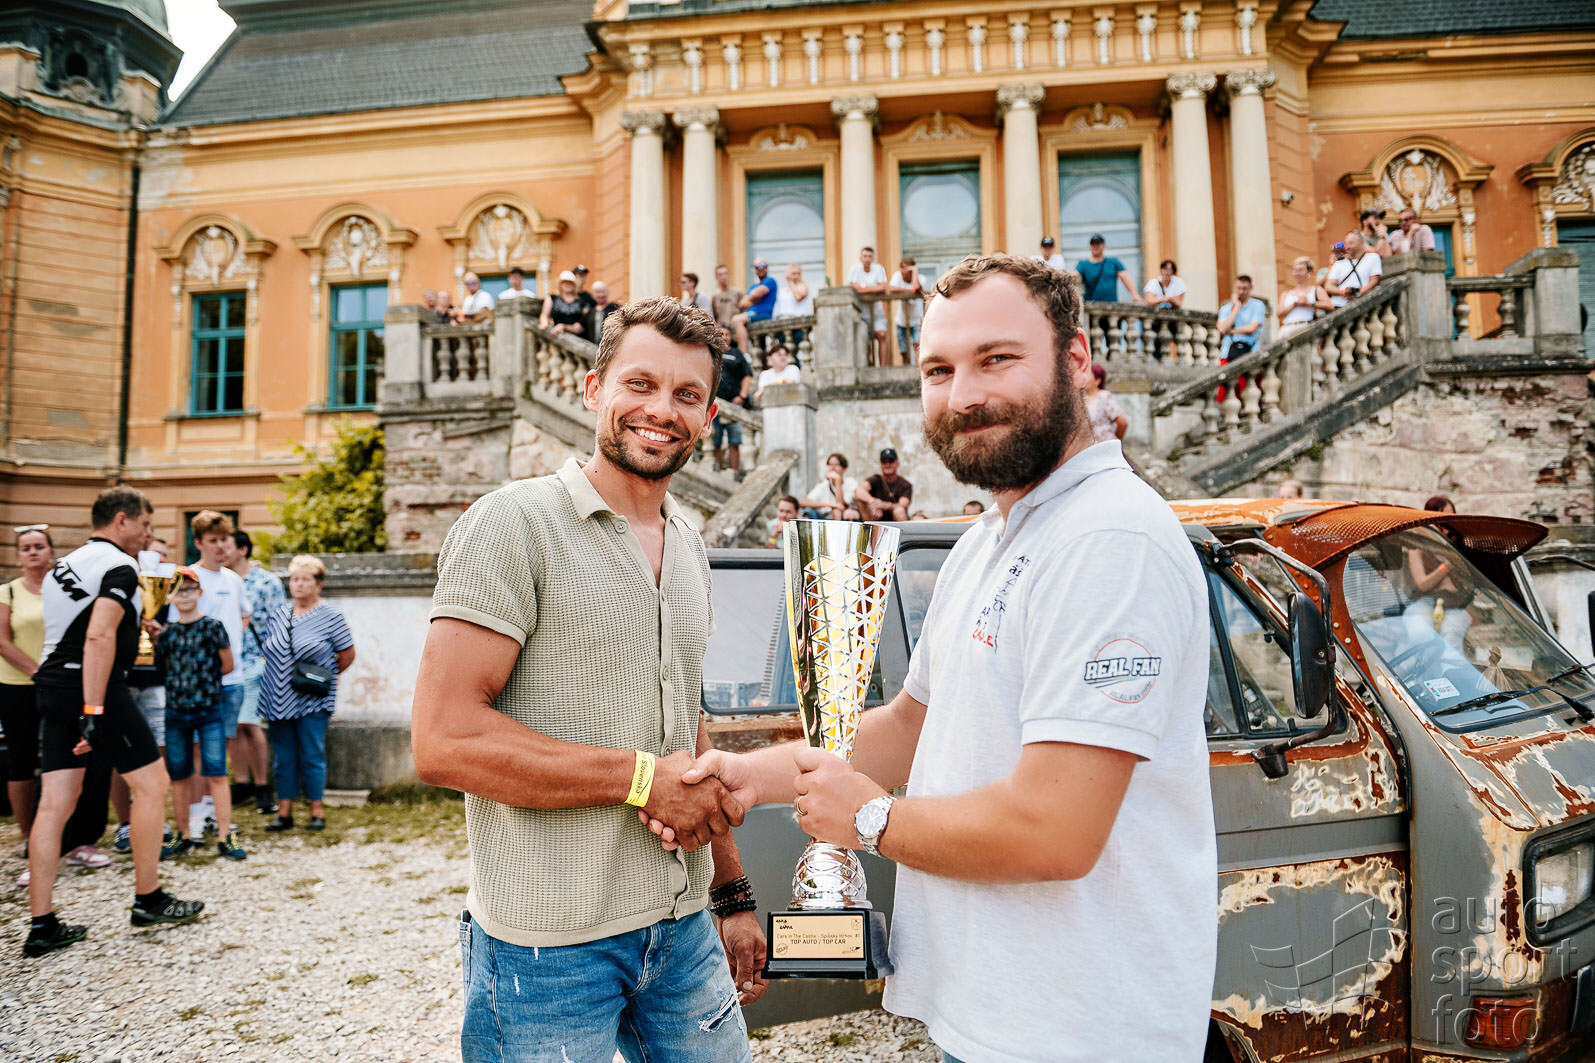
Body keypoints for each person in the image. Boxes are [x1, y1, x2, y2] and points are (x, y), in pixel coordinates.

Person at [654, 253, 1216, 1062]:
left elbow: (1055, 831)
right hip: (991, 1015)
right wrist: (748, 777)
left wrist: (869, 818)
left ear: (1076, 359)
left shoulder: (1110, 540)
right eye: (938, 370)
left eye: (996, 358)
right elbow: (909, 726)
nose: (963, 395)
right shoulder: (989, 538)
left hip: (1081, 1028)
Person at [409, 295, 767, 1062]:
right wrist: (640, 779)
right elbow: (443, 740)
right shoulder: (513, 523)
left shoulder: (690, 543)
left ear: (709, 416)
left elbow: (686, 726)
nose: (661, 410)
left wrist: (730, 892)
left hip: (682, 930)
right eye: (639, 383)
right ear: (593, 387)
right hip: (546, 946)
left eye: (686, 394)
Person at [25, 486, 204, 957]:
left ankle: (42, 924)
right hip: (96, 689)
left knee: (54, 802)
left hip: (51, 685)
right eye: (144, 525)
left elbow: (72, 628)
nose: (148, 534)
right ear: (121, 520)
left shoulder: (63, 565)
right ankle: (149, 899)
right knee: (152, 785)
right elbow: (98, 636)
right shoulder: (120, 567)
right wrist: (93, 710)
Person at [258, 555, 354, 834]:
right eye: (294, 579)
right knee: (283, 757)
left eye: (304, 579)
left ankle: (316, 810)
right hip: (277, 697)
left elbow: (346, 655)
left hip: (312, 698)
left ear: (318, 584)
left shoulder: (331, 616)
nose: (298, 584)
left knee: (311, 754)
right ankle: (284, 811)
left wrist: (319, 678)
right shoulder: (279, 615)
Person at [156, 567, 246, 860]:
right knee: (179, 774)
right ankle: (183, 834)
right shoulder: (168, 634)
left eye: (189, 589)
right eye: (178, 591)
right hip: (176, 712)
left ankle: (225, 834)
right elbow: (166, 667)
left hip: (209, 710)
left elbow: (227, 664)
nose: (184, 596)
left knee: (216, 771)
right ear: (170, 597)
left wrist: (203, 684)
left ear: (200, 593)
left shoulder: (213, 627)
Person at [185, 510, 251, 840]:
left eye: (225, 539)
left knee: (221, 747)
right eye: (213, 541)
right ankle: (195, 815)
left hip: (232, 679)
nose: (221, 546)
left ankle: (214, 810)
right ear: (198, 543)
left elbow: (244, 616)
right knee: (198, 748)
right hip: (199, 682)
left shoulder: (234, 580)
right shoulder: (189, 578)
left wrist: (230, 644)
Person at [1, 524, 51, 882]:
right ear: (18, 555)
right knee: (21, 761)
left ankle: (60, 834)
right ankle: (26, 834)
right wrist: (37, 672)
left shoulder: (62, 589)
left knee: (58, 760)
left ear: (50, 551)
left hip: (57, 687)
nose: (33, 552)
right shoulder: (8, 592)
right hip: (17, 685)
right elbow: (2, 642)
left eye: (39, 546)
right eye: (26, 548)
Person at [229, 528, 286, 814]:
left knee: (250, 723)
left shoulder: (267, 582)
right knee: (233, 726)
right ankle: (242, 784)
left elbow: (279, 623)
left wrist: (276, 663)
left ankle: (262, 785)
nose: (221, 550)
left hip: (255, 661)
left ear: (242, 549)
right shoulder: (221, 580)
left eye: (227, 544)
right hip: (227, 662)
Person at [712, 325, 753, 479]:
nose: (724, 337)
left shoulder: (737, 354)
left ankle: (734, 472)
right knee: (715, 439)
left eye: (727, 334)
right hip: (714, 405)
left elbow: (747, 375)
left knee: (734, 441)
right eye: (721, 334)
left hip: (733, 404)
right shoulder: (711, 353)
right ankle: (717, 472)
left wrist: (742, 396)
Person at [846, 246, 890, 364]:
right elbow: (853, 287)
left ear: (873, 258)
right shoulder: (855, 269)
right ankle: (868, 365)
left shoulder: (879, 269)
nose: (867, 259)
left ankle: (883, 367)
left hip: (877, 313)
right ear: (860, 257)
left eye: (870, 256)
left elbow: (883, 287)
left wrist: (863, 288)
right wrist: (873, 288)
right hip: (861, 314)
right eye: (865, 256)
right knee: (864, 341)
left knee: (882, 335)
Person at [1277, 256, 1334, 341]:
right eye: (1295, 270)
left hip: (1306, 326)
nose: (1297, 273)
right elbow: (1279, 314)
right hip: (1287, 328)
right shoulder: (1286, 294)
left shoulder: (1316, 290)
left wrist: (1308, 304)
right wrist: (1295, 304)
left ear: (1309, 272)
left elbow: (1329, 305)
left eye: (1300, 270)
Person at [731, 259, 777, 354]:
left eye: (763, 266)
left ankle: (744, 355)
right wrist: (754, 298)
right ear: (755, 270)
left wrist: (752, 298)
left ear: (767, 268)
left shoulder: (770, 281)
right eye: (757, 267)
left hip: (762, 315)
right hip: (751, 315)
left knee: (737, 320)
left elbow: (755, 294)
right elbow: (742, 304)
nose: (760, 269)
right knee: (761, 350)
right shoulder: (753, 286)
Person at [1074, 233, 1136, 303]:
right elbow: (1074, 274)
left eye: (1098, 244)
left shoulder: (1113, 262)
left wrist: (1134, 295)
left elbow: (1125, 277)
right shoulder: (1083, 264)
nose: (1095, 246)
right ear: (1090, 246)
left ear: (1104, 245)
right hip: (1090, 305)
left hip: (1111, 305)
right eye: (1093, 244)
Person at [855, 447, 913, 522]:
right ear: (881, 464)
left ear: (897, 463)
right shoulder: (875, 479)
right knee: (860, 500)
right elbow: (858, 490)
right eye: (884, 462)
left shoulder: (905, 484)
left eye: (891, 461)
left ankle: (903, 530)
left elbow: (903, 505)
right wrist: (872, 501)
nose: (887, 465)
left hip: (896, 522)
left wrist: (883, 505)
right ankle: (868, 527)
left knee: (899, 510)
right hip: (875, 518)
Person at [1325, 230, 1381, 307]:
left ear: (1361, 242)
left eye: (1351, 243)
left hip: (1361, 304)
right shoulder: (1339, 263)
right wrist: (1344, 292)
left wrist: (1357, 294)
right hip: (1338, 305)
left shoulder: (1373, 257)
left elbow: (1374, 281)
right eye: (1346, 244)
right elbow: (1328, 286)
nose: (1347, 247)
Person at [1217, 274, 1267, 360]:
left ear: (1251, 288)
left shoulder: (1258, 305)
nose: (1241, 292)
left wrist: (1231, 331)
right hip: (1227, 353)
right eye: (1238, 288)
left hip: (1251, 352)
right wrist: (1236, 307)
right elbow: (1223, 329)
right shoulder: (1226, 308)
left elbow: (1252, 328)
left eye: (1244, 288)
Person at [803, 452, 861, 520]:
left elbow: (840, 505)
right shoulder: (824, 484)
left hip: (843, 517)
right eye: (830, 464)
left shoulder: (851, 482)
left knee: (837, 510)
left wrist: (838, 481)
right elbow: (804, 502)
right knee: (808, 511)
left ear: (844, 469)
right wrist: (828, 504)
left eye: (836, 465)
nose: (832, 468)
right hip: (824, 517)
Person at [889, 256, 925, 362]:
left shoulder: (920, 278)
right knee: (903, 350)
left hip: (916, 320)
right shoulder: (897, 276)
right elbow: (891, 288)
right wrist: (909, 291)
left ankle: (918, 369)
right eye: (902, 268)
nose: (903, 271)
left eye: (906, 268)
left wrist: (914, 271)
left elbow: (916, 287)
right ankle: (906, 366)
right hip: (901, 320)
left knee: (917, 346)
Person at [1084, 363, 1128, 443]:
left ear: (1097, 380)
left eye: (1088, 375)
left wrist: (1115, 441)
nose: (1085, 379)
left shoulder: (1103, 396)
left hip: (1106, 445)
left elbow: (1122, 422)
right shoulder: (1083, 400)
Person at [540, 270, 588, 337]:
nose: (567, 284)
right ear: (560, 284)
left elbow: (583, 324)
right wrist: (544, 324)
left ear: (574, 285)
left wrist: (563, 326)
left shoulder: (581, 301)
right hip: (557, 335)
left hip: (577, 337)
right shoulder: (552, 298)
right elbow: (544, 315)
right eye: (565, 282)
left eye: (570, 282)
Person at [710, 264, 743, 330]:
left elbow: (744, 311)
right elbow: (714, 315)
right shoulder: (714, 296)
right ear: (716, 277)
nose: (723, 277)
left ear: (729, 275)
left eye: (725, 274)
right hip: (721, 330)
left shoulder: (738, 293)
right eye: (720, 275)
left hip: (735, 329)